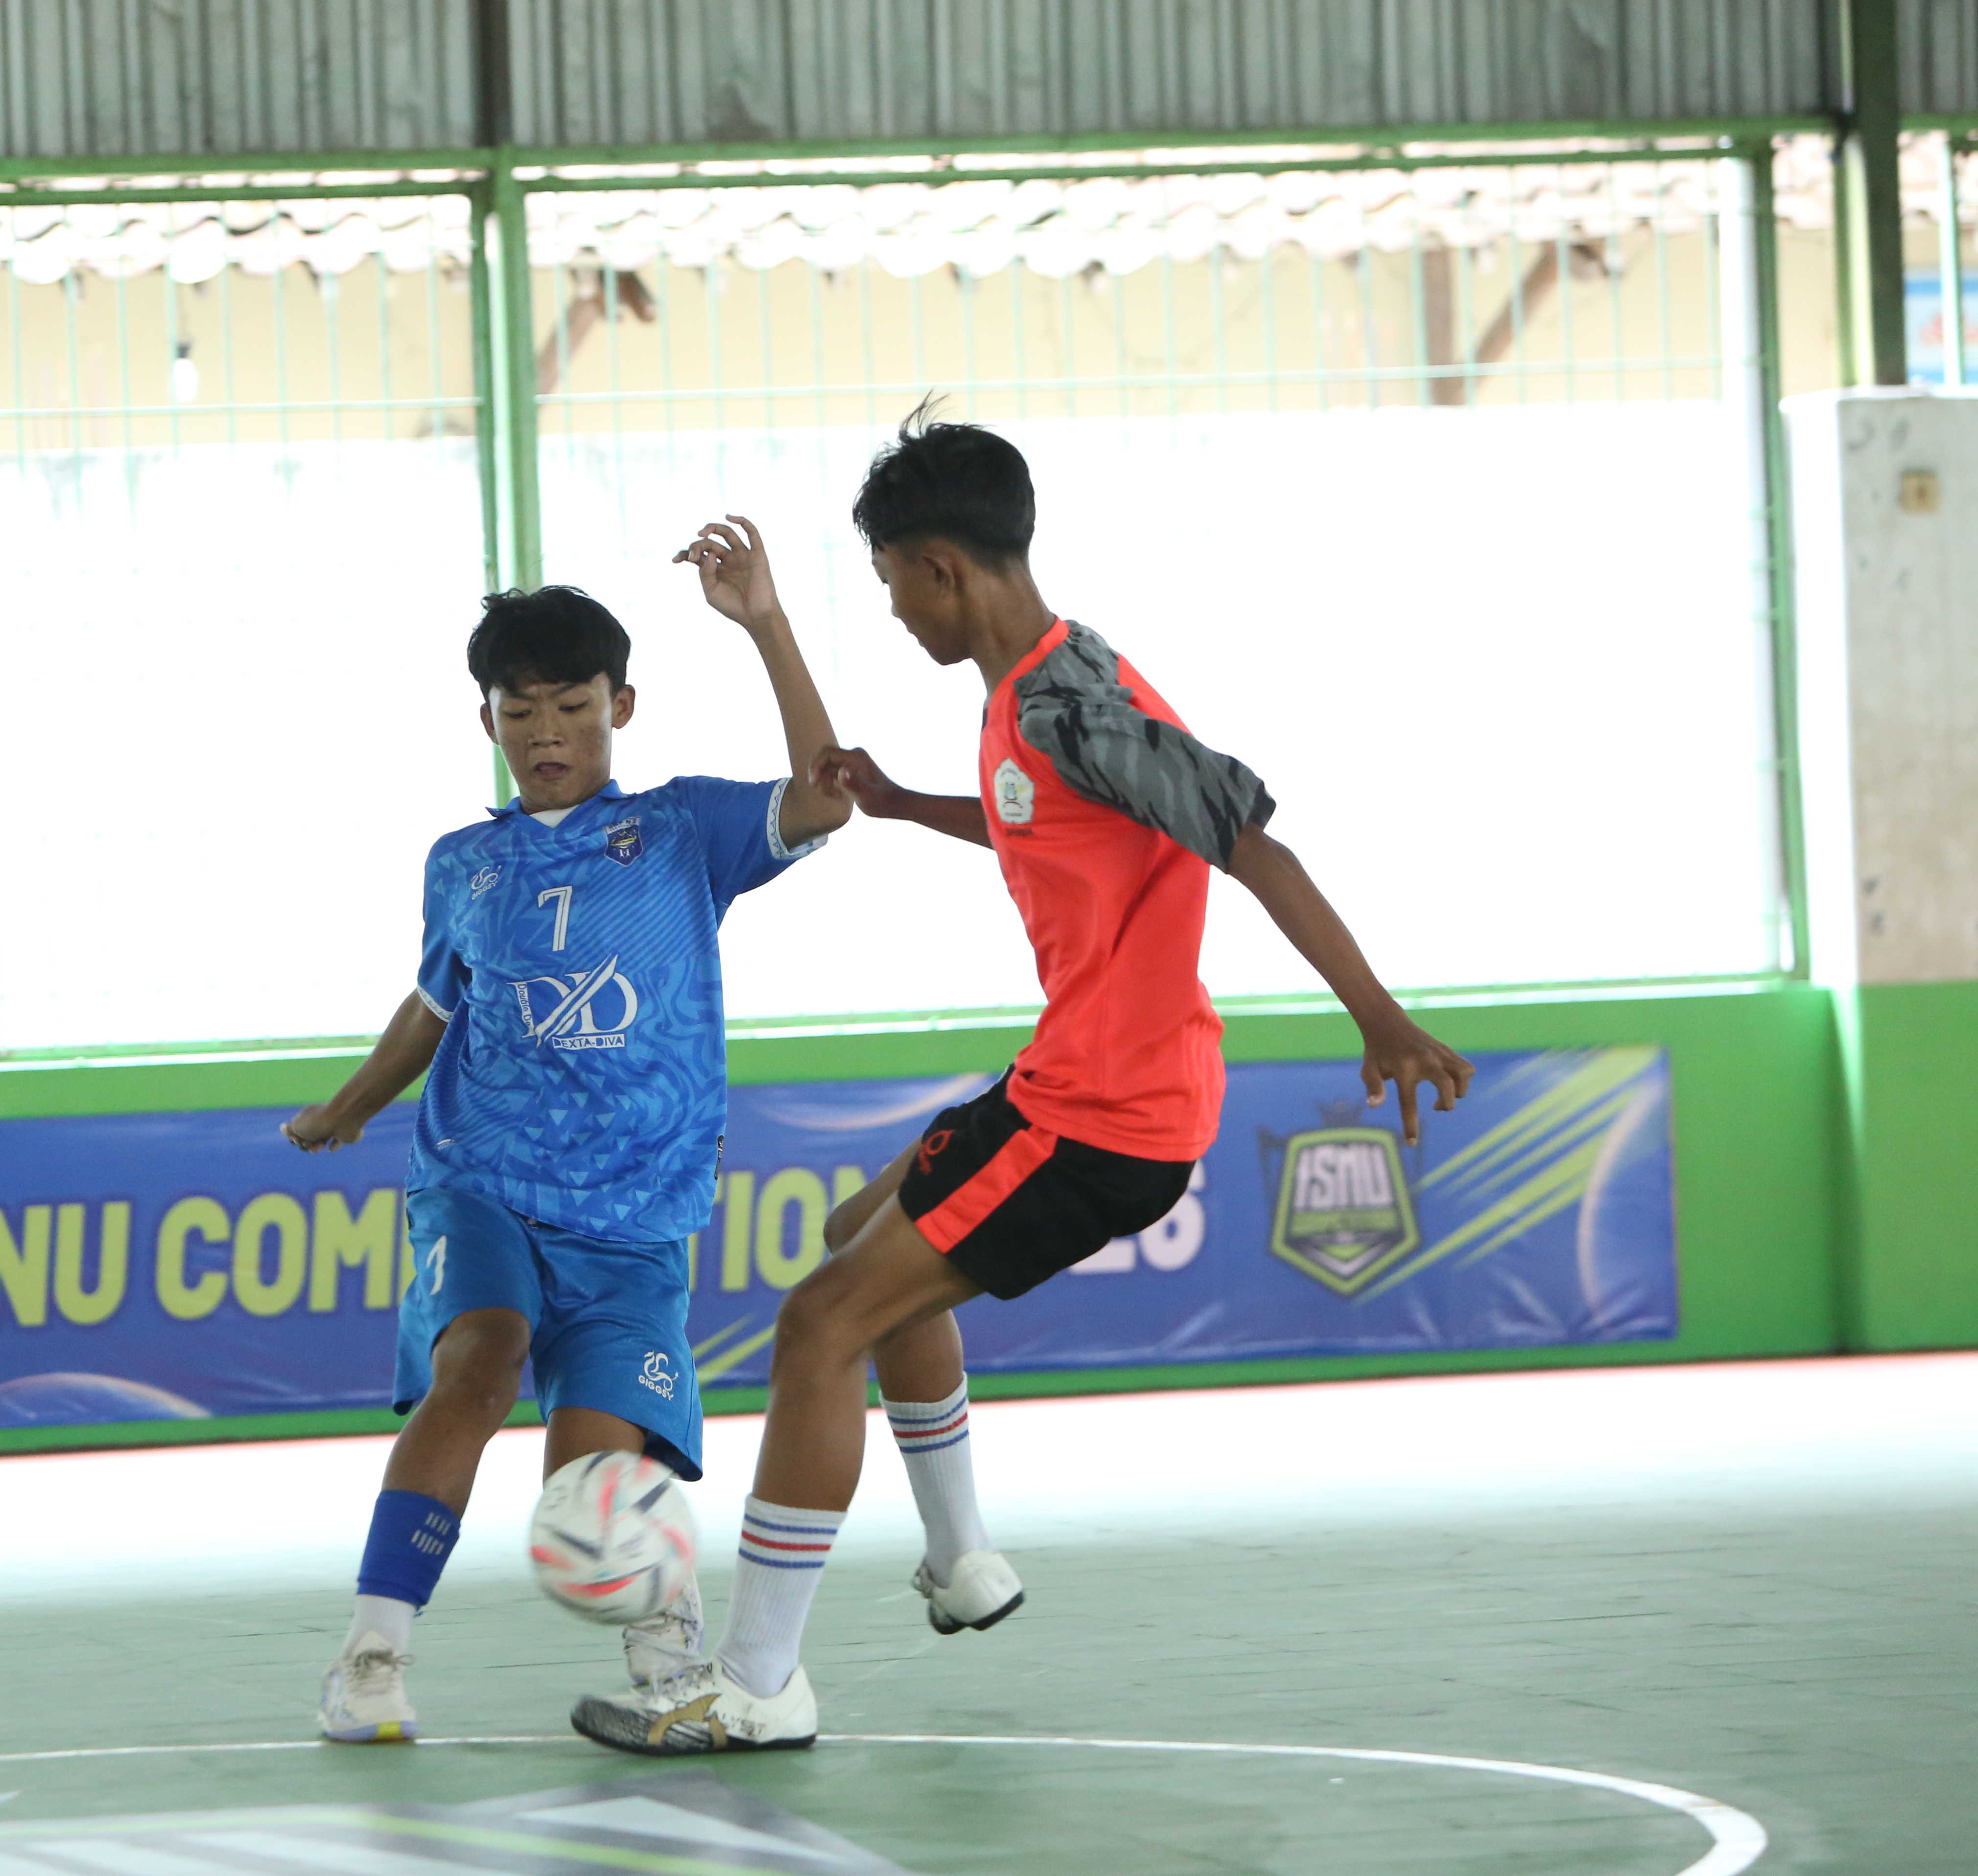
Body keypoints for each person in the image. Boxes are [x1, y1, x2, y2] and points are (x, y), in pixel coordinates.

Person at [569, 418, 1476, 1756]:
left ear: (943, 568)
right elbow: (1040, 814)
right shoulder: (1038, 685)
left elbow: (1248, 841)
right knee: (858, 1243)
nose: (892, 609)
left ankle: (756, 1685)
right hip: (1070, 1080)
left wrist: (1382, 1020)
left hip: (1102, 1118)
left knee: (820, 1325)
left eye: (891, 582)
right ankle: (963, 1561)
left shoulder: (1073, 706)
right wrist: (902, 801)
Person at [286, 530, 852, 1743]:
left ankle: (668, 1662)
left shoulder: (685, 832)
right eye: (520, 710)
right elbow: (433, 1005)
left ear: (621, 706)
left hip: (637, 1217)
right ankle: (371, 1660)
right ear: (487, 719)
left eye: (573, 706)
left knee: (592, 1480)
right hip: (482, 1180)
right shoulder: (465, 863)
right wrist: (353, 1105)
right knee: (480, 1362)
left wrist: (764, 623)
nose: (546, 732)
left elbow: (824, 795)